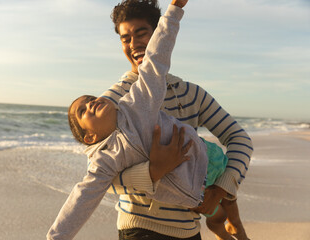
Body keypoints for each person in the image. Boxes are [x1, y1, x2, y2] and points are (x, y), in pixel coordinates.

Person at [99, 0, 253, 239]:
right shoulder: (112, 102)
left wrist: (221, 187)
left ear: (159, 34)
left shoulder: (191, 93)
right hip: (139, 228)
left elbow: (239, 139)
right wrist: (153, 171)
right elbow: (101, 176)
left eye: (141, 34)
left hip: (190, 229)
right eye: (125, 38)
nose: (134, 44)